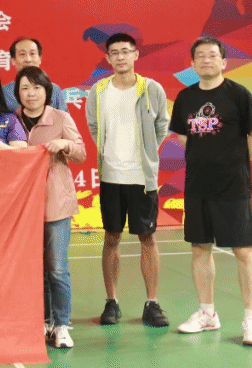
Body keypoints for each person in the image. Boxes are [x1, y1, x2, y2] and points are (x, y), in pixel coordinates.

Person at [169, 37, 252, 346]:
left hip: (233, 186)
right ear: (193, 63)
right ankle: (207, 314)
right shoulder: (185, 97)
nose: (206, 60)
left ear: (223, 62)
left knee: (243, 251)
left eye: (212, 55)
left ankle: (250, 320)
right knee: (200, 248)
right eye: (200, 56)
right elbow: (184, 137)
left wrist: (233, 163)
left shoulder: (238, 94)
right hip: (198, 185)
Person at [0, 66, 85, 349]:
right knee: (36, 269)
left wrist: (65, 144)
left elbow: (81, 153)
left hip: (55, 204)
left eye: (37, 88)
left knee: (57, 268)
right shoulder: (9, 120)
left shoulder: (60, 117)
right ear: (17, 93)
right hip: (23, 207)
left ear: (46, 91)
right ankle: (44, 321)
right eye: (25, 88)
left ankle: (62, 325)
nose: (31, 94)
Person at [85, 32, 171, 328]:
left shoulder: (152, 89)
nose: (120, 57)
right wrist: (109, 153)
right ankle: (112, 302)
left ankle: (152, 303)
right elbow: (94, 126)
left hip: (141, 178)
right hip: (111, 176)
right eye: (114, 52)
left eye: (125, 51)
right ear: (107, 58)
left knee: (148, 238)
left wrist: (146, 154)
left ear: (136, 54)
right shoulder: (98, 91)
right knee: (111, 238)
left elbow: (162, 126)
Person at [2, 37, 69, 113]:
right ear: (13, 60)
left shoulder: (54, 89)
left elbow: (64, 118)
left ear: (40, 59)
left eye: (32, 54)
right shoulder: (4, 93)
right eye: (22, 54)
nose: (28, 60)